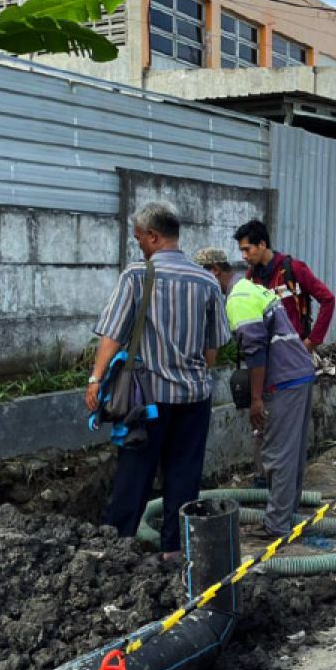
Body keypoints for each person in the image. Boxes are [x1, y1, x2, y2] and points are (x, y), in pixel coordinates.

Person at [85, 202, 229, 558]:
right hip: (195, 397)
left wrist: (95, 379)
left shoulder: (137, 275)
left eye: (139, 238)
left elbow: (112, 335)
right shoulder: (207, 281)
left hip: (148, 401)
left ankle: (115, 549)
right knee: (184, 477)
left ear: (153, 236)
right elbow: (213, 350)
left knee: (135, 476)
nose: (138, 244)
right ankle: (175, 552)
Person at [200, 247, 317, 540]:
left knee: (277, 454)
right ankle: (286, 517)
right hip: (298, 373)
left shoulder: (238, 300)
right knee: (291, 453)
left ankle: (277, 526)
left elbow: (256, 352)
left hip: (284, 379)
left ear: (214, 271)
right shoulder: (251, 288)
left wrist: (255, 400)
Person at [233, 220, 335, 354]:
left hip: (294, 352)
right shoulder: (251, 277)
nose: (244, 256)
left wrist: (312, 341)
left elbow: (328, 299)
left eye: (247, 249)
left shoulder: (294, 269)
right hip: (266, 353)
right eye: (242, 250)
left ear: (262, 245)